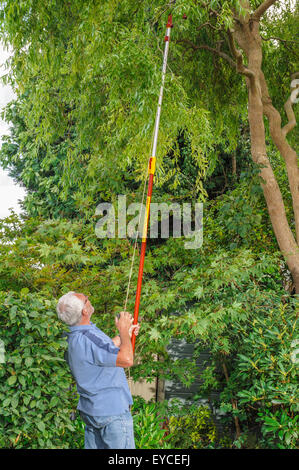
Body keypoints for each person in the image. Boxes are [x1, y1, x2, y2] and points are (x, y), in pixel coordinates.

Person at [56, 291, 140, 449]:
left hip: (92, 411)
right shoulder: (89, 337)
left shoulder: (72, 336)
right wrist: (123, 330)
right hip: (111, 412)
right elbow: (127, 360)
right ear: (84, 311)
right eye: (86, 299)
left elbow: (102, 350)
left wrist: (125, 335)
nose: (88, 298)